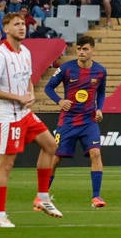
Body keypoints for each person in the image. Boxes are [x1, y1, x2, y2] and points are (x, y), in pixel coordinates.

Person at [0, 12, 64, 227]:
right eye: (16, 24)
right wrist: (17, 97)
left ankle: (42, 198)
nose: (22, 27)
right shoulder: (0, 55)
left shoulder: (25, 52)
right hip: (8, 116)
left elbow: (27, 78)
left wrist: (31, 93)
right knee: (6, 165)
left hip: (24, 113)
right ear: (6, 29)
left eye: (23, 24)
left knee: (51, 145)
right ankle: (0, 217)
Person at [44, 33, 108, 207]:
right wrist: (59, 101)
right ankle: (42, 195)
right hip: (68, 120)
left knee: (96, 153)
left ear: (92, 50)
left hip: (89, 121)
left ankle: (96, 197)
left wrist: (99, 109)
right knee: (56, 158)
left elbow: (101, 92)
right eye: (79, 49)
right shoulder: (66, 69)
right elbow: (48, 88)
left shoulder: (100, 71)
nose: (81, 52)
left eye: (85, 49)